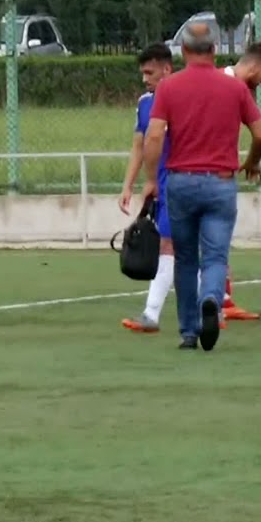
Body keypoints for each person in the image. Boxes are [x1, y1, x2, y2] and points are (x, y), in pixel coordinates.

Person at [142, 23, 261, 351]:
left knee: (185, 259)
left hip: (181, 182)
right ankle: (211, 299)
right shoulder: (235, 89)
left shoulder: (169, 88)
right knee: (214, 256)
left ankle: (188, 331)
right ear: (214, 51)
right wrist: (252, 162)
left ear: (183, 52)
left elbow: (154, 135)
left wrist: (151, 179)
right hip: (221, 183)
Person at [219, 42, 261, 320]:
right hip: (209, 174)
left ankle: (222, 298)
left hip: (216, 172)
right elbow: (260, 135)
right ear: (254, 66)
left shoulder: (240, 89)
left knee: (216, 239)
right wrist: (253, 161)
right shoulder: (225, 85)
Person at [118, 44, 177, 334]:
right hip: (161, 186)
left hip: (180, 182)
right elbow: (139, 145)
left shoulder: (184, 96)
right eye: (142, 73)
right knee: (174, 246)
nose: (145, 78)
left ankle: (151, 314)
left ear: (167, 69)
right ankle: (213, 307)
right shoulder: (144, 103)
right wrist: (128, 185)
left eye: (149, 72)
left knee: (171, 246)